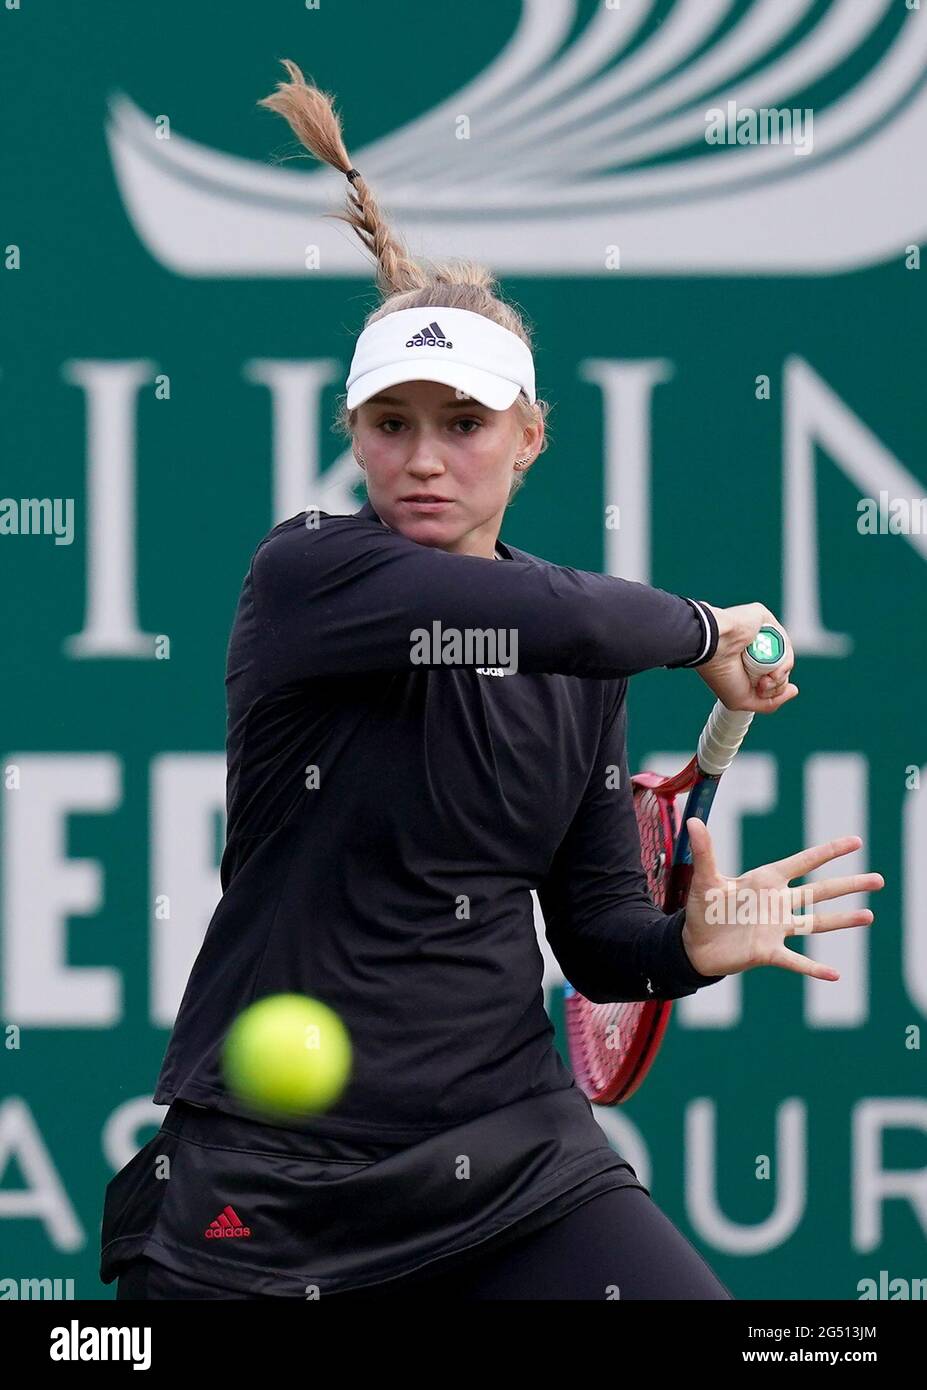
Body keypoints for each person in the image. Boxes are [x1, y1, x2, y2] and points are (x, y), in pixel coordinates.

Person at [100, 64, 882, 1301]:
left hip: (515, 1155)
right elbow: (536, 614)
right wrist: (699, 628)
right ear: (351, 434)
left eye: (462, 425)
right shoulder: (308, 578)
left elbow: (595, 939)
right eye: (390, 424)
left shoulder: (585, 666)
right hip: (271, 1182)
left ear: (529, 437)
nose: (423, 459)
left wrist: (686, 943)